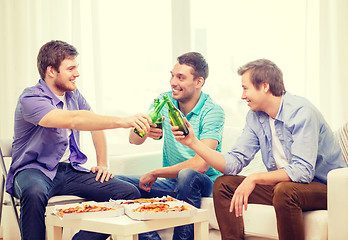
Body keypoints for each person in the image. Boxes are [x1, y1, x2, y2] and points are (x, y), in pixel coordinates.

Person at [171, 58, 347, 240]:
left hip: (328, 188)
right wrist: (193, 142)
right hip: (286, 187)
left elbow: (302, 171)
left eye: (245, 88)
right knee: (223, 184)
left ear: (264, 86)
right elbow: (234, 162)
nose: (242, 95)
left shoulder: (301, 112)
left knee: (284, 191)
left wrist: (254, 178)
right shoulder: (255, 117)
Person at [6, 40, 153, 240]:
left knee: (128, 193)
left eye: (77, 67)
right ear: (51, 71)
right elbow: (74, 120)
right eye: (71, 68)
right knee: (33, 192)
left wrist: (102, 164)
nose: (77, 73)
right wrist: (123, 121)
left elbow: (95, 124)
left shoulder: (73, 95)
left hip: (69, 170)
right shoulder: (31, 98)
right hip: (32, 170)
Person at [116, 52, 225, 240]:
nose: (173, 82)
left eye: (180, 77)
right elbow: (133, 140)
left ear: (198, 82)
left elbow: (201, 165)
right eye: (172, 75)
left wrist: (156, 172)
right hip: (172, 183)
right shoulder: (164, 101)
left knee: (188, 175)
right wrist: (144, 130)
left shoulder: (212, 111)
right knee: (115, 183)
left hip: (204, 183)